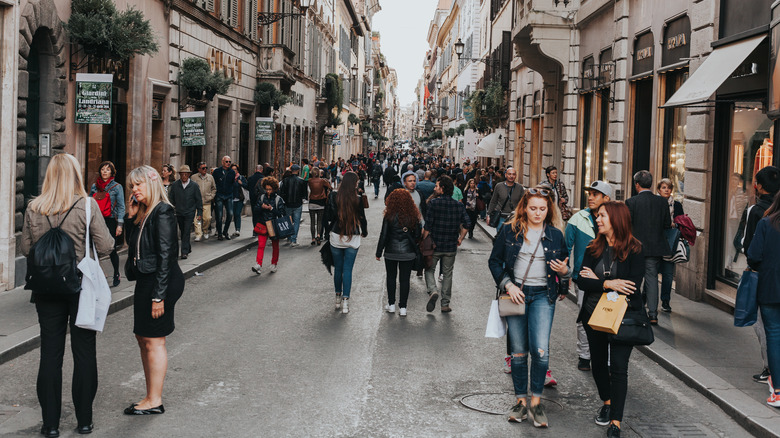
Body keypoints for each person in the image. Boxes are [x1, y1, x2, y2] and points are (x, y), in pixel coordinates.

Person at [22, 153, 114, 437]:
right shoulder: (87, 205)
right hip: (80, 287)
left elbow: (27, 248)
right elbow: (107, 245)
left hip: (46, 289)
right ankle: (84, 421)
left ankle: (50, 425)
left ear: (49, 176)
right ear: (75, 175)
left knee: (50, 354)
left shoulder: (33, 208)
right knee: (84, 352)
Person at [488, 186, 570, 429]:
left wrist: (565, 273)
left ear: (548, 210)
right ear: (524, 207)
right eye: (533, 208)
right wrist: (507, 285)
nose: (537, 213)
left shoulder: (556, 235)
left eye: (542, 209)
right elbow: (494, 261)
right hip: (517, 296)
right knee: (519, 352)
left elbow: (565, 268)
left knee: (541, 350)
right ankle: (520, 402)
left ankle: (536, 402)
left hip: (543, 296)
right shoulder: (508, 231)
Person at [576, 201, 644, 438]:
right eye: (597, 216)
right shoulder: (592, 248)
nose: (598, 220)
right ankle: (607, 402)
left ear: (616, 219)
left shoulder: (635, 250)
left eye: (602, 216)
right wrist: (608, 283)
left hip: (623, 319)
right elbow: (581, 280)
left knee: (618, 367)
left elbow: (632, 288)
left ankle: (616, 420)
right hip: (593, 315)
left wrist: (598, 282)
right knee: (597, 365)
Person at [123, 165, 185, 417]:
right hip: (147, 279)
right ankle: (149, 394)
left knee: (155, 340)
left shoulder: (163, 212)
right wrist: (131, 216)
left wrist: (158, 296)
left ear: (151, 184)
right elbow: (133, 245)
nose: (134, 190)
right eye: (132, 186)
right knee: (143, 337)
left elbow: (166, 256)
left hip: (161, 281)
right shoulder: (145, 212)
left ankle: (155, 400)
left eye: (138, 185)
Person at [565, 180, 612, 372]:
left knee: (608, 319)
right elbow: (566, 247)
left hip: (609, 279)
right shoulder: (577, 219)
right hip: (583, 278)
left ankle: (606, 359)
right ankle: (584, 355)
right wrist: (566, 274)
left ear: (606, 199)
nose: (590, 197)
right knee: (585, 319)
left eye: (595, 194)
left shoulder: (613, 220)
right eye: (589, 193)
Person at [743, 166, 780, 383]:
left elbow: (752, 252)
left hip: (768, 283)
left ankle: (773, 379)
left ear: (760, 185)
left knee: (770, 331)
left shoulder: (761, 215)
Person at [625, 170, 671, 324]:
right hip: (654, 248)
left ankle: (634, 309)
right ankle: (653, 314)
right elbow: (666, 225)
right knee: (652, 280)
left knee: (634, 280)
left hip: (635, 248)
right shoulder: (662, 202)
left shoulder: (631, 202)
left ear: (637, 185)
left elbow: (627, 225)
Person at [423, 175, 470, 312]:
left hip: (434, 245)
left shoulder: (433, 203)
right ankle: (445, 304)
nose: (434, 188)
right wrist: (460, 238)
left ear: (442, 189)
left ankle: (432, 291)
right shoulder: (459, 205)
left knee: (429, 270)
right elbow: (467, 223)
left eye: (437, 186)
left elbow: (428, 226)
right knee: (448, 274)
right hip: (450, 246)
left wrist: (423, 240)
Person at [324, 172, 368, 314]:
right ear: (354, 183)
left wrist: (325, 232)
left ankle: (337, 298)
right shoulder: (358, 198)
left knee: (338, 268)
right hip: (352, 235)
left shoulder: (334, 196)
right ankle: (345, 302)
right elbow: (362, 218)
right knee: (348, 270)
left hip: (337, 234)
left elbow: (329, 216)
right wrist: (364, 231)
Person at [376, 189, 421, 317]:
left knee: (391, 277)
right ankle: (403, 307)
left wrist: (379, 252)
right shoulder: (413, 215)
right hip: (408, 252)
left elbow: (383, 235)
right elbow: (418, 235)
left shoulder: (389, 215)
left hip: (391, 251)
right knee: (404, 280)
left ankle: (391, 305)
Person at [89, 160, 125, 287]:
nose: (105, 171)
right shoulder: (94, 187)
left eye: (107, 169)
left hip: (110, 220)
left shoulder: (117, 187)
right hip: (96, 220)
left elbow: (121, 206)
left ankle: (116, 273)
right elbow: (89, 203)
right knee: (93, 247)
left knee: (111, 248)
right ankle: (100, 273)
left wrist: (120, 225)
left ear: (112, 172)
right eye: (103, 169)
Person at [657, 178, 685, 313]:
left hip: (670, 243)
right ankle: (645, 298)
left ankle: (665, 301)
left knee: (668, 274)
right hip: (655, 242)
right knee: (651, 273)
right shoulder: (654, 203)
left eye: (668, 187)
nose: (666, 190)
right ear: (658, 190)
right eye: (663, 187)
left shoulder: (677, 205)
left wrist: (675, 225)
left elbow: (681, 223)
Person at [167, 165, 202, 260]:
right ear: (180, 175)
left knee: (186, 231)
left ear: (189, 175)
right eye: (182, 174)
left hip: (190, 212)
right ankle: (188, 247)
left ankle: (184, 252)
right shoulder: (175, 185)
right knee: (183, 231)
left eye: (186, 174)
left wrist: (199, 213)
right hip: (179, 212)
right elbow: (171, 198)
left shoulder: (194, 186)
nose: (184, 176)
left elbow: (198, 200)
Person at [252, 176, 285, 275]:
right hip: (263, 224)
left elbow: (282, 214)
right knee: (261, 245)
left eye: (270, 189)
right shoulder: (262, 197)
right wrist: (261, 207)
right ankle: (258, 264)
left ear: (274, 188)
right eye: (266, 189)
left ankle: (274, 263)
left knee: (275, 246)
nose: (268, 191)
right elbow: (255, 210)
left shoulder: (278, 199)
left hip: (273, 225)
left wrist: (271, 209)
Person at [280, 164, 308, 247]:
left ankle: (289, 237)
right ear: (298, 170)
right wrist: (302, 199)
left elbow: (282, 192)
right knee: (296, 222)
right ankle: (293, 239)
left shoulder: (285, 180)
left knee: (288, 221)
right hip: (297, 203)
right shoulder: (301, 181)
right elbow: (304, 194)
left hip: (288, 203)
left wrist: (285, 200)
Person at [212, 156, 236, 241]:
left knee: (230, 214)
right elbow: (213, 183)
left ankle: (225, 231)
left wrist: (231, 192)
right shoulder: (217, 172)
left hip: (229, 195)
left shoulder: (232, 172)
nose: (228, 163)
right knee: (219, 215)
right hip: (219, 195)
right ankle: (219, 233)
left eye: (229, 161)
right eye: (226, 161)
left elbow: (233, 183)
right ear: (222, 162)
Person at [193, 162, 216, 241]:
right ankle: (198, 234)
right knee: (197, 219)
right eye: (203, 168)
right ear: (199, 169)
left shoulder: (210, 177)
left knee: (207, 219)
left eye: (206, 168)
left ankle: (205, 231)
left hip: (207, 202)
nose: (205, 169)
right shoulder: (194, 177)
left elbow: (214, 188)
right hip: (197, 202)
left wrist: (211, 196)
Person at [307, 167, 331, 245]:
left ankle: (313, 238)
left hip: (312, 201)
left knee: (312, 222)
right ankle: (318, 235)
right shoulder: (322, 181)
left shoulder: (309, 181)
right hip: (320, 202)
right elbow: (330, 187)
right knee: (319, 221)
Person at [247, 164, 265, 235]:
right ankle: (260, 229)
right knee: (261, 215)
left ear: (255, 170)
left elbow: (247, 187)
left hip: (253, 199)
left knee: (254, 215)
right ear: (261, 170)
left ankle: (255, 230)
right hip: (262, 199)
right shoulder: (264, 178)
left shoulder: (250, 178)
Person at [230, 164, 248, 237]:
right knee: (233, 214)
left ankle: (238, 229)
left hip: (240, 198)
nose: (234, 171)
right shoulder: (229, 177)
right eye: (232, 169)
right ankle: (236, 229)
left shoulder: (241, 177)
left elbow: (247, 186)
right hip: (231, 198)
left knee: (237, 213)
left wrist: (242, 183)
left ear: (237, 170)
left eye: (235, 169)